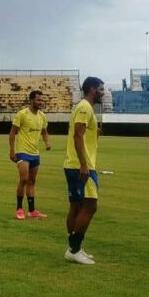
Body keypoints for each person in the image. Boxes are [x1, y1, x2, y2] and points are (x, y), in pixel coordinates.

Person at [63, 77, 105, 265]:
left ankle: (73, 248)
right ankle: (74, 249)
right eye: (101, 89)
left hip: (74, 164)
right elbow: (77, 134)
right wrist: (84, 164)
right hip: (81, 165)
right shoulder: (85, 107)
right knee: (90, 206)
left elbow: (83, 134)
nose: (103, 93)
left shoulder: (85, 108)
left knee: (76, 206)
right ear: (93, 89)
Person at [9, 90, 51, 219]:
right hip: (22, 152)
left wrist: (47, 142)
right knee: (24, 179)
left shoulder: (42, 116)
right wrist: (12, 150)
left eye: (42, 100)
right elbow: (12, 133)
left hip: (35, 153)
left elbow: (44, 131)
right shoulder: (22, 114)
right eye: (39, 100)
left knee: (32, 181)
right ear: (31, 100)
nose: (41, 102)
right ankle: (19, 209)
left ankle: (32, 211)